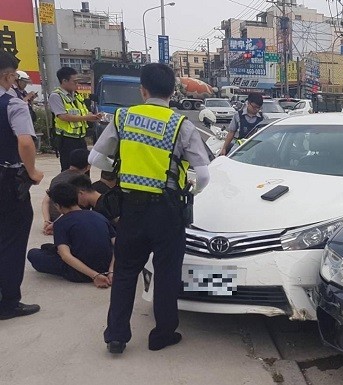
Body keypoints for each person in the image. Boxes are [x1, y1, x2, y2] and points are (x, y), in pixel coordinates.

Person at [89, 63, 211, 354]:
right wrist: (189, 191)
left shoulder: (123, 117)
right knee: (167, 273)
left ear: (142, 90)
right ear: (173, 91)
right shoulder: (181, 125)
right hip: (167, 211)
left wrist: (118, 169)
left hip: (130, 208)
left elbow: (95, 157)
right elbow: (204, 174)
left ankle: (116, 336)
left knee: (126, 272)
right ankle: (162, 335)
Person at [0, 51, 44, 320]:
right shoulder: (12, 103)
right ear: (7, 75)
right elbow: (25, 142)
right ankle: (9, 302)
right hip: (7, 180)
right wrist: (32, 171)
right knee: (12, 241)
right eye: (14, 76)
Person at [27, 183, 115, 288]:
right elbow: (119, 245)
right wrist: (111, 270)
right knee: (47, 247)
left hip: (79, 274)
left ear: (57, 205)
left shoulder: (61, 223)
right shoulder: (98, 216)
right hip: (105, 266)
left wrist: (95, 275)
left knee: (33, 254)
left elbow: (65, 256)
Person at [49, 66, 101, 171]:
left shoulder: (77, 96)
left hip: (80, 139)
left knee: (85, 168)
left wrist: (94, 117)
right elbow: (63, 116)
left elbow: (83, 113)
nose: (77, 84)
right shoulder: (56, 96)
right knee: (69, 170)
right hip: (67, 140)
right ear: (64, 81)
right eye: (75, 81)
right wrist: (86, 117)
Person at [41, 148, 90, 235]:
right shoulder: (81, 181)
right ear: (88, 166)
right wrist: (57, 224)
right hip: (66, 218)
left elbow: (46, 201)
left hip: (53, 217)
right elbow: (72, 207)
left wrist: (47, 221)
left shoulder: (57, 178)